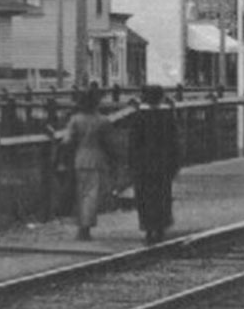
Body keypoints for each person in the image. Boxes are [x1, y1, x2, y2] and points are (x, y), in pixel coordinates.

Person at [60, 87, 120, 240]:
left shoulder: (75, 120)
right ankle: (85, 227)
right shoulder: (102, 121)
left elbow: (67, 141)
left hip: (79, 158)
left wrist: (63, 159)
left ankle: (82, 224)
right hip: (96, 158)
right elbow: (109, 143)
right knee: (91, 194)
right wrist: (114, 159)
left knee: (81, 193)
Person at [128, 84, 182, 245]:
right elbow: (175, 143)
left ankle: (148, 228)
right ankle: (160, 227)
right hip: (163, 164)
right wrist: (175, 164)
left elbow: (133, 144)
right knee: (162, 195)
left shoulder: (139, 117)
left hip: (144, 165)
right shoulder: (167, 117)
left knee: (145, 196)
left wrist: (132, 164)